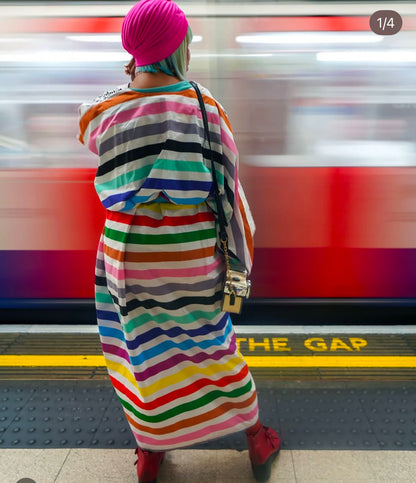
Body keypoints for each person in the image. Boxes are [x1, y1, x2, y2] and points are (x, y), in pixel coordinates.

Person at [78, 1, 280, 482]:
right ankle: (255, 440)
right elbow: (228, 193)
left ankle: (151, 451)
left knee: (138, 352)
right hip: (190, 256)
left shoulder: (103, 113)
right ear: (178, 47)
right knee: (214, 344)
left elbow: (87, 129)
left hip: (125, 256)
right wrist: (239, 255)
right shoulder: (205, 108)